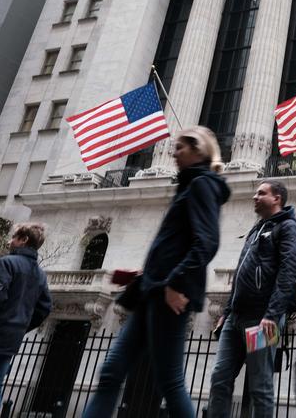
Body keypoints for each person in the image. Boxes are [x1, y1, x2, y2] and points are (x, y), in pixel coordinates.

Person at [83, 126, 230, 418]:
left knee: (170, 381)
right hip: (153, 290)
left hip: (169, 294)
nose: (174, 153)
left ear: (199, 151)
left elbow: (207, 243)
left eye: (181, 148)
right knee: (112, 372)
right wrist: (145, 273)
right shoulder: (189, 185)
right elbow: (175, 245)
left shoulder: (202, 185)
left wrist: (175, 282)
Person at [208, 180, 296, 418]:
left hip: (263, 319)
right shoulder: (256, 229)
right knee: (220, 378)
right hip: (235, 319)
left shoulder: (288, 227)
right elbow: (241, 273)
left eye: (261, 193)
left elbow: (289, 273)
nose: (254, 196)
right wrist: (227, 312)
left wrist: (272, 315)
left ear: (277, 198)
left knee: (260, 385)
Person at [0, 223, 51, 401]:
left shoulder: (6, 263)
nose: (10, 241)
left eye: (14, 237)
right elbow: (45, 308)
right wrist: (21, 325)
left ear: (24, 240)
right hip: (12, 338)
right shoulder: (41, 275)